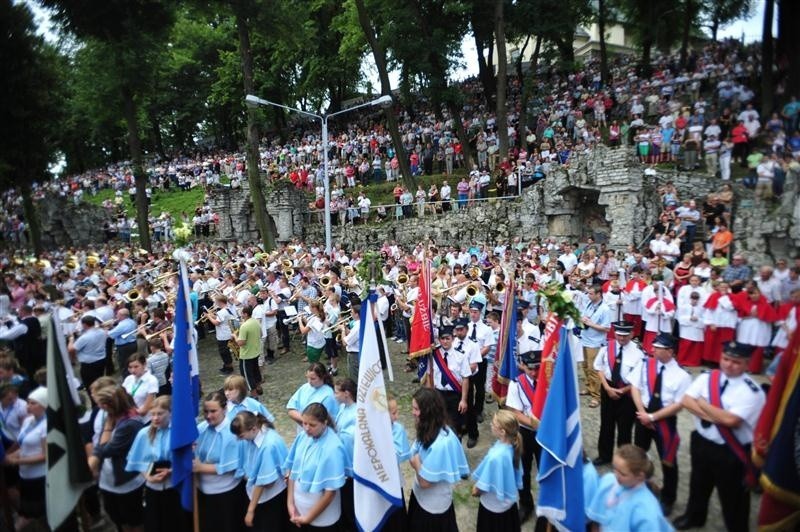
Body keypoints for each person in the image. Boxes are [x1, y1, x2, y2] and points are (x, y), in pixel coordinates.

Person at [674, 342, 766, 531]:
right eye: (726, 359)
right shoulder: (708, 377)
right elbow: (686, 401)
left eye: (736, 362)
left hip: (731, 450)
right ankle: (694, 516)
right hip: (701, 441)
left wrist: (703, 403)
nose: (729, 364)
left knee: (734, 496)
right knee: (698, 482)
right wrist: (717, 415)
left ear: (747, 364)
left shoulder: (752, 391)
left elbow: (731, 421)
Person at [630, 333, 691, 516]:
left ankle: (668, 498)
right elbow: (635, 387)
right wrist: (642, 412)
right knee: (638, 455)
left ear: (670, 351)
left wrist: (653, 417)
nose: (652, 350)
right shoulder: (645, 364)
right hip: (642, 416)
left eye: (658, 348)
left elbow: (679, 404)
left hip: (664, 420)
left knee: (668, 461)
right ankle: (637, 489)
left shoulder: (682, 375)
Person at [126, 395, 192, 532]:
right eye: (153, 414)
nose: (155, 418)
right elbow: (137, 460)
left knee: (177, 524)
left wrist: (173, 470)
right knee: (155, 524)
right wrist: (148, 477)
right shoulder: (144, 434)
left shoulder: (178, 433)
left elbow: (189, 459)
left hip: (175, 487)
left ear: (170, 413)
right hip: (153, 488)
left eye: (160, 414)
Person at [407, 388, 469, 531]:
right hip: (420, 499)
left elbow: (425, 481)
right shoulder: (428, 427)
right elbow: (413, 450)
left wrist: (416, 463)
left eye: (416, 409)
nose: (413, 412)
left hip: (432, 509)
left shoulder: (442, 443)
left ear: (428, 411)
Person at [90, 385, 146, 532]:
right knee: (118, 518)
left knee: (133, 520)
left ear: (108, 405)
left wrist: (107, 428)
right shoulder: (112, 416)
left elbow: (105, 449)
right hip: (109, 480)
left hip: (126, 481)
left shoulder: (129, 423)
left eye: (100, 404)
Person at [284, 402, 347, 529]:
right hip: (298, 511)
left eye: (312, 425)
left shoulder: (333, 448)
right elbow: (293, 471)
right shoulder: (302, 436)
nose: (306, 428)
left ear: (324, 423)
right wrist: (290, 504)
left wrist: (308, 518)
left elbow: (329, 493)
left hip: (322, 520)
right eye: (304, 423)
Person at [193, 391, 248, 532]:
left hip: (225, 494)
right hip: (202, 491)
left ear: (224, 409)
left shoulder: (231, 433)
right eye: (205, 411)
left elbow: (229, 466)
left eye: (213, 411)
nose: (208, 416)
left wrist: (200, 468)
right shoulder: (201, 428)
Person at [586, 444, 673, 531]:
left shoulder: (646, 510)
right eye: (614, 468)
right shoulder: (609, 480)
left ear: (640, 476)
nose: (616, 475)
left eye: (623, 474)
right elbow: (596, 522)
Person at [231, 410, 290, 532]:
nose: (238, 439)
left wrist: (250, 510)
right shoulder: (254, 435)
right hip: (257, 495)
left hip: (270, 498)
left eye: (241, 436)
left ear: (253, 429)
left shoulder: (268, 445)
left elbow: (266, 483)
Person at [592, 322, 641, 466]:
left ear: (631, 335)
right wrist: (607, 388)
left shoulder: (638, 353)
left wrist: (622, 391)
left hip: (627, 394)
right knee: (606, 425)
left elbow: (638, 378)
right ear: (615, 334)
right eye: (619, 335)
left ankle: (623, 459)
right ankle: (604, 455)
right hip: (608, 388)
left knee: (624, 428)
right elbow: (598, 367)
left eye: (625, 335)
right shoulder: (607, 347)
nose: (622, 338)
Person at [504, 350, 543, 526]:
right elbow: (515, 412)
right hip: (526, 433)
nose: (534, 373)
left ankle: (547, 503)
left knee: (546, 470)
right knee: (524, 471)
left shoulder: (548, 382)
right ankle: (526, 504)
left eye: (537, 368)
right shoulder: (516, 384)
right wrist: (536, 424)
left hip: (545, 434)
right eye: (530, 369)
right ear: (523, 366)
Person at [471, 410, 523, 532]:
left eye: (493, 424)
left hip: (492, 510)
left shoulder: (496, 457)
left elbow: (482, 486)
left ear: (503, 432)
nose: (490, 425)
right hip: (508, 507)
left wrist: (476, 491)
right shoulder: (512, 446)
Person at [5, 386, 47, 528]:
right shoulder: (28, 421)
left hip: (40, 476)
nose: (28, 406)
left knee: (44, 514)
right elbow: (23, 445)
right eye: (28, 402)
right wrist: (9, 456)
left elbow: (44, 456)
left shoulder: (46, 426)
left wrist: (16, 461)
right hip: (26, 475)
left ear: (44, 405)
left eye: (33, 403)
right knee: (34, 515)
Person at [428, 326, 470, 439]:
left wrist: (463, 400)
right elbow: (430, 374)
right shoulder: (433, 354)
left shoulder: (460, 355)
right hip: (438, 394)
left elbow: (466, 378)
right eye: (442, 338)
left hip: (454, 396)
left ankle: (455, 453)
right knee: (437, 425)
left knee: (455, 428)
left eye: (447, 338)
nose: (445, 341)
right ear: (439, 339)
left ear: (453, 338)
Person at [580, 285, 613, 408]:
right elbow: (584, 317)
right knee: (585, 366)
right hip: (585, 339)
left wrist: (591, 324)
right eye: (588, 293)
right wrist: (582, 319)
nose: (589, 295)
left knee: (594, 369)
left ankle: (596, 396)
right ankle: (590, 388)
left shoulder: (605, 309)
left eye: (591, 293)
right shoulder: (589, 304)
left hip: (595, 342)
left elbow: (606, 328)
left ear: (599, 294)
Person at [334, 378, 357, 531]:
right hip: (342, 463)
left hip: (351, 468)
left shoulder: (356, 413)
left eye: (337, 392)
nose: (334, 395)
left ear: (346, 393)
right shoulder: (342, 408)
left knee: (350, 505)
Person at [286, 363, 338, 431]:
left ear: (322, 377)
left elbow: (327, 421)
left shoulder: (328, 395)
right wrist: (306, 420)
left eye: (313, 379)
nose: (309, 381)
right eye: (308, 378)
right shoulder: (305, 387)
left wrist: (305, 421)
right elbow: (291, 409)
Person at [68, 315, 109, 393]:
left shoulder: (85, 337)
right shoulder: (102, 331)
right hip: (101, 360)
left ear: (84, 325)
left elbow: (71, 349)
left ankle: (94, 401)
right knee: (99, 381)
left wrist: (71, 340)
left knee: (90, 386)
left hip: (89, 365)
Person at [121, 353, 159, 424]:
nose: (133, 370)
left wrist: (126, 411)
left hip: (145, 421)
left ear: (144, 365)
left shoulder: (151, 380)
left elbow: (144, 411)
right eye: (130, 367)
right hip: (129, 419)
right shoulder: (129, 379)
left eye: (136, 367)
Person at [234, 305, 263, 396]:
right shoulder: (256, 322)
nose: (241, 315)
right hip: (256, 352)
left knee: (247, 376)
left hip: (246, 355)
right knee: (256, 371)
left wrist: (235, 336)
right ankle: (258, 386)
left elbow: (241, 343)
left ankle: (254, 395)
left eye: (242, 313)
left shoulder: (244, 326)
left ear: (245, 314)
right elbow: (261, 334)